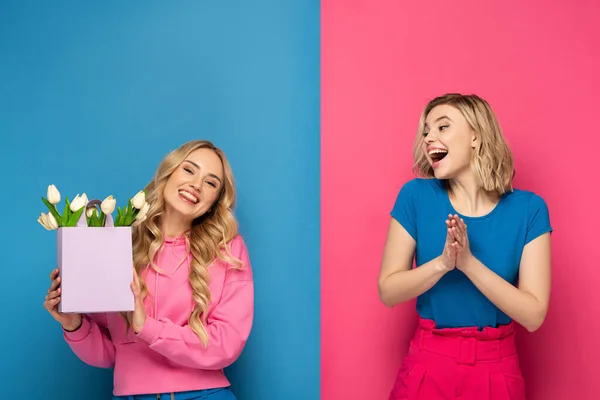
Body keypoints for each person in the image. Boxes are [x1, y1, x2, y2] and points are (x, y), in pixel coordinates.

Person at [44, 140, 254, 400]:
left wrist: (148, 327)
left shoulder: (227, 250)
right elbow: (111, 352)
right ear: (169, 172)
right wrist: (72, 322)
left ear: (214, 202)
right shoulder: (120, 244)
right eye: (189, 170)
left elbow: (227, 344)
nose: (196, 185)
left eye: (211, 183)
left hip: (205, 394)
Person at [378, 94, 552, 400]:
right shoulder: (415, 196)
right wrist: (443, 263)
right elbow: (388, 291)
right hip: (428, 365)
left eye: (443, 127)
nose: (429, 137)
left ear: (475, 136)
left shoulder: (529, 209)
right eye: (427, 130)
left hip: (497, 371)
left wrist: (468, 263)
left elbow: (534, 315)